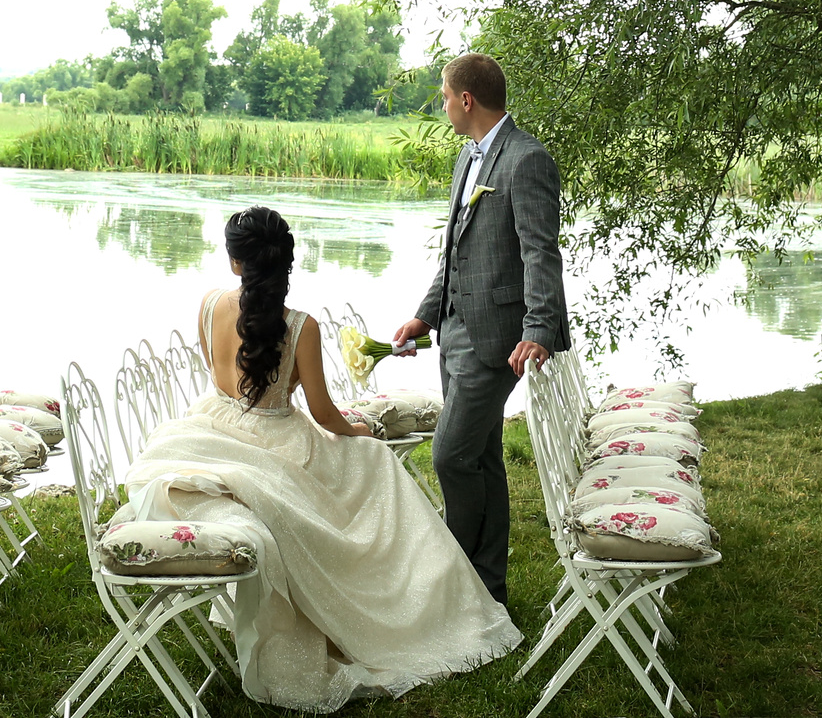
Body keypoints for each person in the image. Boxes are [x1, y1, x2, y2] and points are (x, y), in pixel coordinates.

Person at [120, 205, 521, 711]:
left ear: (235, 263)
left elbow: (222, 378)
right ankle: (412, 600)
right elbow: (325, 414)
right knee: (375, 465)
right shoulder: (300, 326)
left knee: (355, 475)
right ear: (286, 262)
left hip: (210, 427)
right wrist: (357, 430)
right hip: (277, 437)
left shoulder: (206, 306)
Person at [390, 52, 569, 607]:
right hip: (452, 333)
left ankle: (453, 584)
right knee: (483, 457)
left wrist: (538, 328)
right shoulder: (468, 159)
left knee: (449, 455)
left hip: (499, 340)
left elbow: (541, 254)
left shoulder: (526, 160)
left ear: (466, 99)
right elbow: (455, 252)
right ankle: (487, 591)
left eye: (444, 95)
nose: (443, 104)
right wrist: (426, 312)